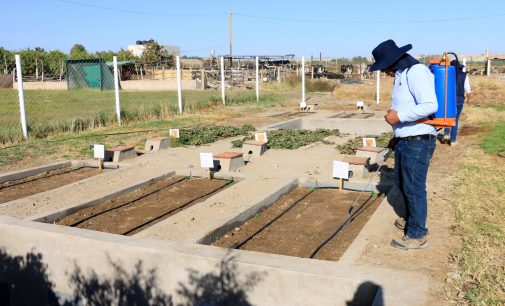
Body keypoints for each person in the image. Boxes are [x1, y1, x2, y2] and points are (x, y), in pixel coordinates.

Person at [369, 39, 438, 250]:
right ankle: (411, 219)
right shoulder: (402, 74)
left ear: (394, 61)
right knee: (402, 183)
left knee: (413, 188)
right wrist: (397, 134)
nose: (386, 72)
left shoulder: (416, 72)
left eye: (385, 67)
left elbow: (429, 105)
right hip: (405, 140)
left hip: (418, 142)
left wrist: (398, 117)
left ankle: (417, 234)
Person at [442, 60, 471, 146]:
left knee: (448, 116)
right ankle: (453, 140)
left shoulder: (447, 75)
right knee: (455, 119)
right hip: (459, 99)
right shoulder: (464, 76)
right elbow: (467, 89)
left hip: (448, 99)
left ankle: (446, 133)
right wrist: (469, 99)